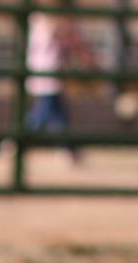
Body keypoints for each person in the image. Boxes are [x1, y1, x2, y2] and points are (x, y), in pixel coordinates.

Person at [23, 7, 94, 164]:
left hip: (48, 73)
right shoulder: (44, 22)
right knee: (46, 111)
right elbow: (65, 34)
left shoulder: (39, 21)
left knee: (56, 112)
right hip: (47, 73)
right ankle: (19, 139)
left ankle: (68, 149)